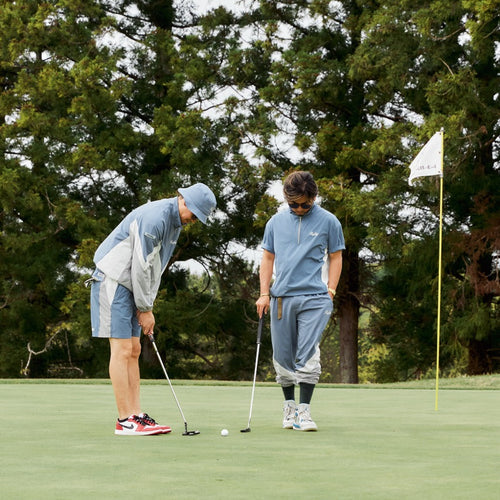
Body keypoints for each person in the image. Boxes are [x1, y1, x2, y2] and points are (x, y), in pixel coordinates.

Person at [89, 183, 216, 436]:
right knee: (122, 349)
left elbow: (154, 268)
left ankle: (136, 415)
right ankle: (125, 420)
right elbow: (140, 265)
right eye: (194, 214)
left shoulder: (174, 223)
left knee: (135, 349)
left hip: (131, 285)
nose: (193, 221)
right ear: (184, 201)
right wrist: (145, 308)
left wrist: (147, 304)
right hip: (114, 280)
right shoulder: (155, 218)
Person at [256, 171, 344, 431]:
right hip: (282, 297)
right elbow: (268, 259)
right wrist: (264, 293)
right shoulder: (275, 222)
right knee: (283, 355)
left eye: (305, 203)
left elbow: (336, 257)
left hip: (315, 298)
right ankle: (289, 407)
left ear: (314, 197)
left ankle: (304, 411)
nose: (300, 208)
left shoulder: (329, 221)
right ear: (286, 199)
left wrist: (331, 291)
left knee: (307, 352)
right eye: (293, 204)